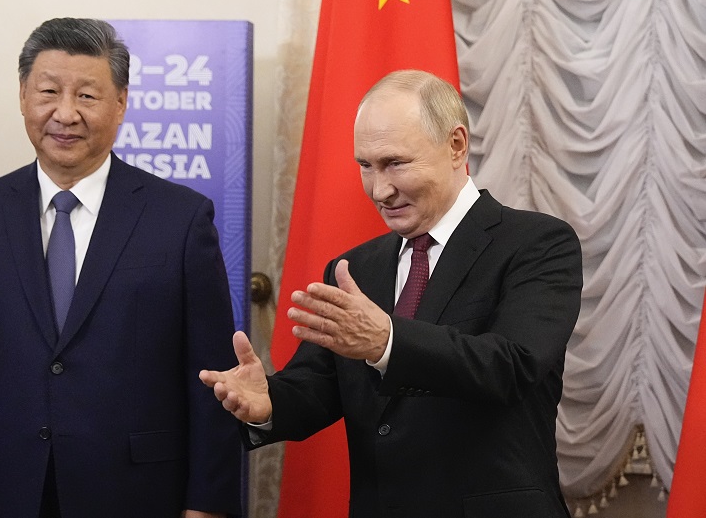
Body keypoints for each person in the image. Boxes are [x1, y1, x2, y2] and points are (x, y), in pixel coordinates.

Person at [200, 70, 583, 517]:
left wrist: (387, 343)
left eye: (395, 163)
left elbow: (512, 366)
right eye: (366, 166)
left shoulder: (537, 243)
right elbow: (321, 387)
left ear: (456, 145)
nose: (380, 190)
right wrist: (268, 403)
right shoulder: (356, 268)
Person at [0, 18, 241, 518]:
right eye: (48, 91)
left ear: (121, 104)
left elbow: (213, 380)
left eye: (87, 96)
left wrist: (207, 507)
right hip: (8, 489)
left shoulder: (180, 220)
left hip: (138, 493)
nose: (64, 114)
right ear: (24, 96)